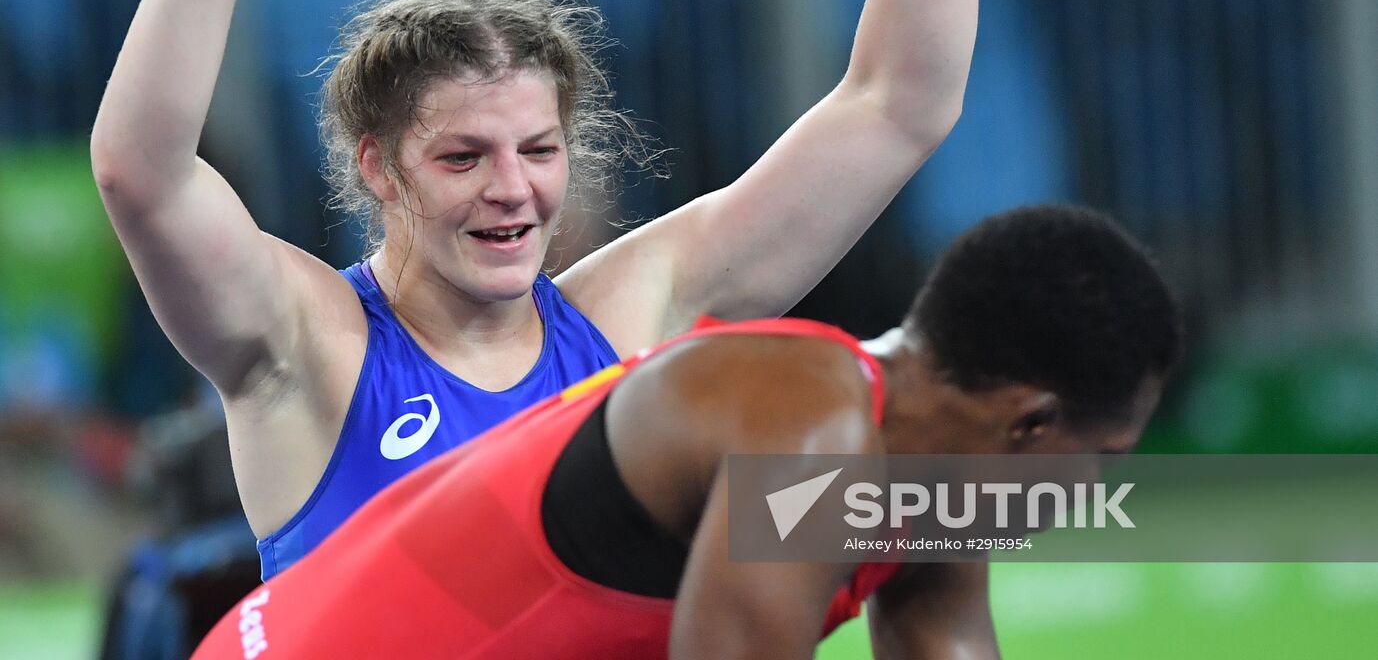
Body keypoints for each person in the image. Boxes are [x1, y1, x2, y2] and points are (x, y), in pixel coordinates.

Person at [90, 0, 984, 577]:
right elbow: (142, 173)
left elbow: (897, 105)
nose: (512, 188)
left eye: (538, 150)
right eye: (462, 157)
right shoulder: (309, 346)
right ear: (378, 168)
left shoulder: (628, 315)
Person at [190, 204, 1184, 659]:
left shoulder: (931, 487)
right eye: (1099, 461)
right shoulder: (806, 431)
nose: (1091, 495)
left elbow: (945, 640)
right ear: (1029, 422)